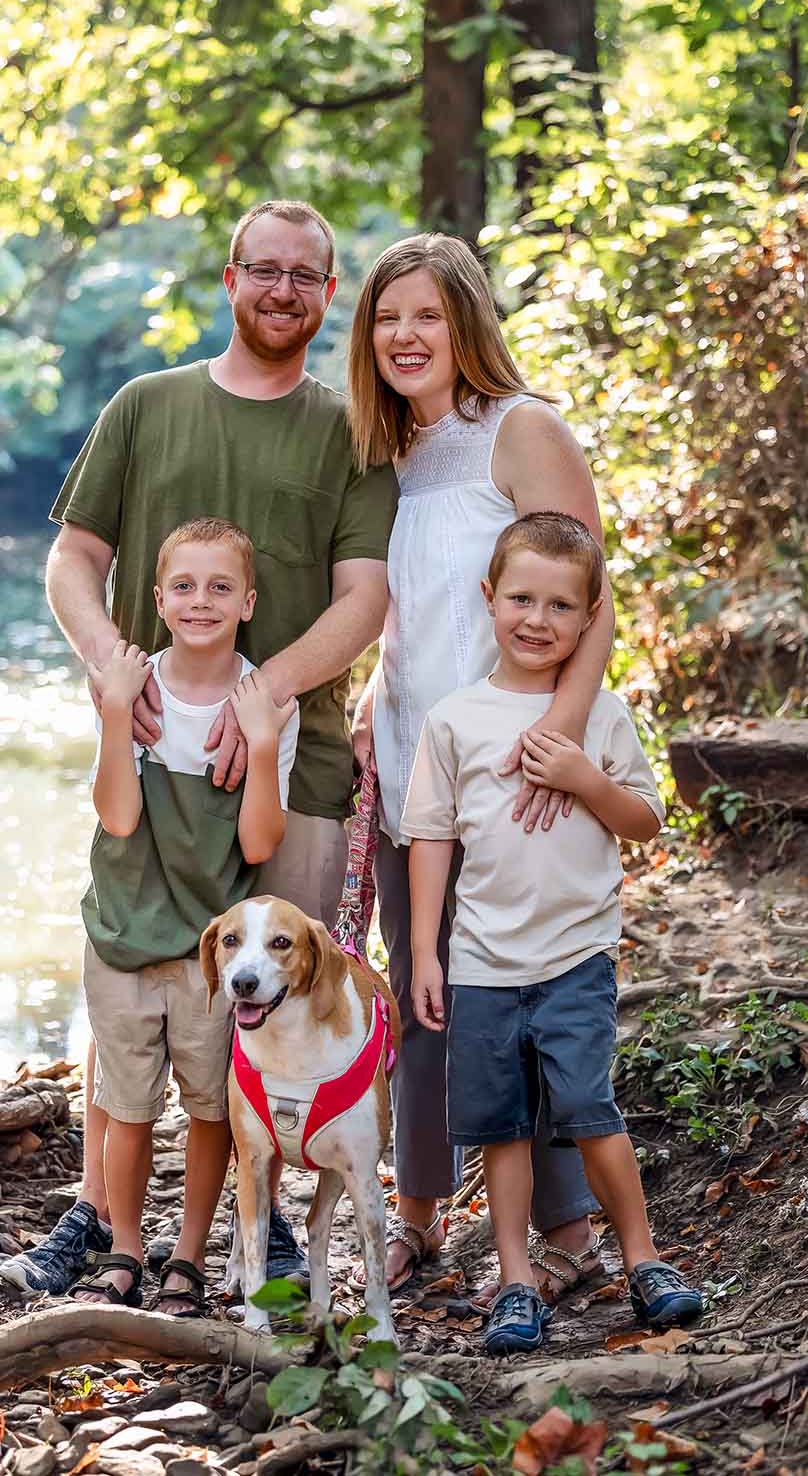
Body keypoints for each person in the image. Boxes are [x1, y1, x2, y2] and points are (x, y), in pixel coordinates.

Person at [0, 200, 396, 1302]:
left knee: (275, 1004)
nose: (281, 291)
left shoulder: (351, 433)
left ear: (328, 296)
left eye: (304, 277)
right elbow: (74, 559)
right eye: (262, 271)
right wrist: (113, 672)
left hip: (294, 765)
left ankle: (251, 1234)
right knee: (135, 974)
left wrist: (265, 692)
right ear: (230, 280)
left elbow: (365, 599)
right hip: (156, 756)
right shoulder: (146, 405)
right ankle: (99, 1214)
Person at [347, 233, 612, 1298]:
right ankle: (419, 1218)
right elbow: (413, 609)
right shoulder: (384, 455)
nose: (404, 336)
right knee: (423, 1005)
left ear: (465, 322)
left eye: (425, 315)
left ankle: (569, 1235)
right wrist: (373, 694)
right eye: (384, 317)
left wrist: (564, 737)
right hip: (416, 766)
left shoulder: (521, 429)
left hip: (518, 771)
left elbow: (590, 599)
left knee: (523, 998)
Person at [402, 513, 703, 1353]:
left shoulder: (599, 716)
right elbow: (432, 838)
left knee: (586, 1105)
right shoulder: (454, 719)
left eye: (561, 606)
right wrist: (426, 950)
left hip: (577, 956)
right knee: (500, 1125)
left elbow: (645, 820)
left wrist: (583, 778)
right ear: (489, 595)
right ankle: (515, 1280)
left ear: (589, 614)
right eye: (522, 599)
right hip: (483, 965)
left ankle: (644, 1260)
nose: (538, 620)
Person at [59, 518, 298, 1309]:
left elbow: (262, 839)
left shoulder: (262, 700)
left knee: (208, 1109)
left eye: (221, 587)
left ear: (249, 601)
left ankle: (188, 1255)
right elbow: (118, 817)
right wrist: (117, 714)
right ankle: (125, 1249)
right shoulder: (131, 683)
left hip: (210, 956)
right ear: (157, 598)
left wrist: (260, 744)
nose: (202, 602)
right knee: (125, 1107)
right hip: (125, 933)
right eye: (185, 587)